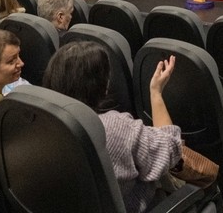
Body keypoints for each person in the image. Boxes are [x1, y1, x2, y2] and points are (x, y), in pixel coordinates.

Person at [43, 42, 182, 213]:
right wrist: (156, 93)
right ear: (102, 85)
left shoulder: (42, 128)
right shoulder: (113, 128)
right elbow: (171, 149)